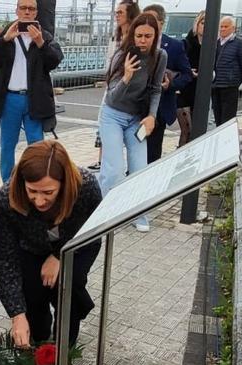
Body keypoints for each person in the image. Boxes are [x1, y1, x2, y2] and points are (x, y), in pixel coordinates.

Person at [0, 140, 101, 346]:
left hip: (76, 246)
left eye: (48, 192)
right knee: (32, 297)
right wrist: (17, 314)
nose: (39, 201)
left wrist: (60, 255)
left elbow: (94, 230)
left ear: (64, 183)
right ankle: (39, 339)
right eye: (32, 191)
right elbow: (5, 256)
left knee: (69, 289)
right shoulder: (7, 197)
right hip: (31, 248)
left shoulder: (85, 186)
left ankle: (65, 345)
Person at [98, 13, 165, 231]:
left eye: (148, 36)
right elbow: (112, 97)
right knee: (114, 168)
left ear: (156, 36)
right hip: (112, 114)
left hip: (137, 118)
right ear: (132, 35)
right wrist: (126, 76)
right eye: (139, 36)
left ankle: (139, 214)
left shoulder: (160, 56)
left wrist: (152, 116)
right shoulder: (121, 55)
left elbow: (155, 89)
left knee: (140, 168)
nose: (143, 41)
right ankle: (105, 211)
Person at [0, 0, 63, 181]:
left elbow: (54, 61)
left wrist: (41, 42)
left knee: (36, 145)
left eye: (31, 9)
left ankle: (36, 181)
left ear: (36, 13)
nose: (27, 12)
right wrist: (5, 40)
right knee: (7, 145)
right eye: (23, 8)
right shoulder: (8, 32)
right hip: (10, 99)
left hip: (33, 99)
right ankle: (7, 184)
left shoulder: (44, 35)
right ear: (17, 10)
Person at [89, 0, 140, 171]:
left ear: (130, 15)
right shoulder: (116, 36)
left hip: (128, 91)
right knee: (104, 126)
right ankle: (103, 162)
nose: (116, 15)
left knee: (133, 141)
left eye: (120, 12)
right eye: (116, 12)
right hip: (112, 88)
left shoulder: (135, 39)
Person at [143, 4, 192, 164]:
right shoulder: (137, 43)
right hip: (136, 106)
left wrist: (170, 84)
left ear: (161, 22)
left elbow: (186, 75)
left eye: (151, 19)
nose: (146, 22)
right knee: (136, 149)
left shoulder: (174, 46)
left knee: (152, 153)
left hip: (160, 108)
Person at [211, 16, 242, 126]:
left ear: (233, 28)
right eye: (221, 26)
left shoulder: (239, 43)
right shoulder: (216, 43)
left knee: (227, 119)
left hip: (230, 87)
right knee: (217, 116)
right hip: (216, 86)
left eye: (225, 27)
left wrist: (235, 81)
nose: (222, 29)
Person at [177, 11, 204, 147]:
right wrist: (188, 71)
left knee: (198, 133)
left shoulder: (212, 45)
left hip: (200, 93)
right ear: (197, 24)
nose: (205, 27)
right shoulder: (186, 43)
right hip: (184, 92)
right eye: (203, 23)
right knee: (187, 131)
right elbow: (176, 66)